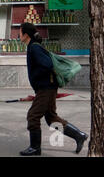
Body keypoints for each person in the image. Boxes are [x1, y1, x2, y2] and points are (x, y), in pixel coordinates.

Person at [19, 23, 88, 156]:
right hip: (46, 88)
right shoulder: (33, 47)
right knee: (51, 118)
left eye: (20, 33)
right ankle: (79, 135)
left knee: (33, 116)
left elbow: (47, 64)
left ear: (26, 35)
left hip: (46, 88)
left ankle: (35, 148)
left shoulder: (34, 48)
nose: (18, 36)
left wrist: (37, 78)